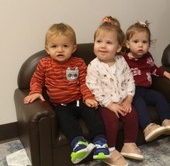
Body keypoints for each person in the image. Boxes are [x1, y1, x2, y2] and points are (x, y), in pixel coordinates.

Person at [23, 23, 109, 164]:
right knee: (64, 119)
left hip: (79, 100)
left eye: (65, 46)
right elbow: (36, 80)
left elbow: (83, 83)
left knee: (92, 112)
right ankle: (79, 143)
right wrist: (35, 92)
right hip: (60, 105)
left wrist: (88, 97)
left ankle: (100, 142)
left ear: (73, 48)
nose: (60, 50)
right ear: (47, 49)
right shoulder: (44, 64)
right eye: (54, 46)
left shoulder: (79, 63)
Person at [86, 21, 143, 166]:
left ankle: (129, 144)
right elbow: (94, 89)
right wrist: (110, 105)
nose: (103, 46)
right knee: (111, 122)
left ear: (118, 48)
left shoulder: (121, 60)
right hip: (105, 104)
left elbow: (130, 79)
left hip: (123, 100)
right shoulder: (93, 66)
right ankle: (109, 150)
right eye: (98, 41)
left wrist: (129, 99)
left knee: (132, 115)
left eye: (108, 43)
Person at [123, 21, 170, 142]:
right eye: (136, 42)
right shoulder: (123, 59)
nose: (140, 45)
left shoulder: (147, 56)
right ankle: (147, 127)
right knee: (139, 103)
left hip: (146, 89)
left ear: (149, 44)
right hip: (132, 92)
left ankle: (167, 121)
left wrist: (164, 73)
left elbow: (153, 68)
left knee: (159, 97)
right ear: (128, 44)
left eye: (144, 42)